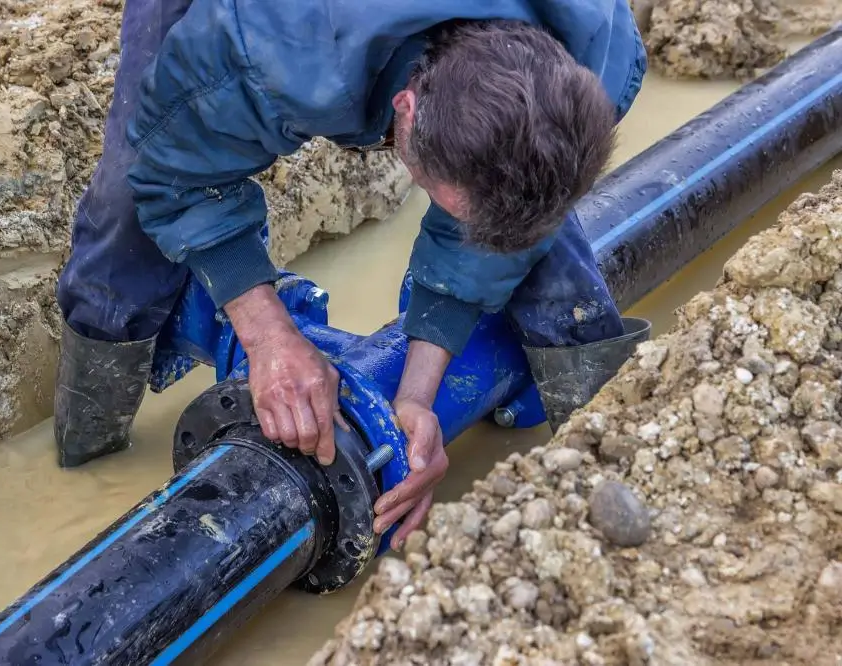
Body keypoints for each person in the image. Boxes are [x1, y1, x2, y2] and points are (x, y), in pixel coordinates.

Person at [55, 0, 647, 550]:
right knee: (128, 199)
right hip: (290, 31)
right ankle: (88, 438)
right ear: (405, 109)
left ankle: (605, 458)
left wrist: (418, 397)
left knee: (526, 221)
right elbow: (174, 173)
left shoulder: (598, 52)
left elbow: (498, 230)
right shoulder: (274, 47)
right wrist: (268, 338)